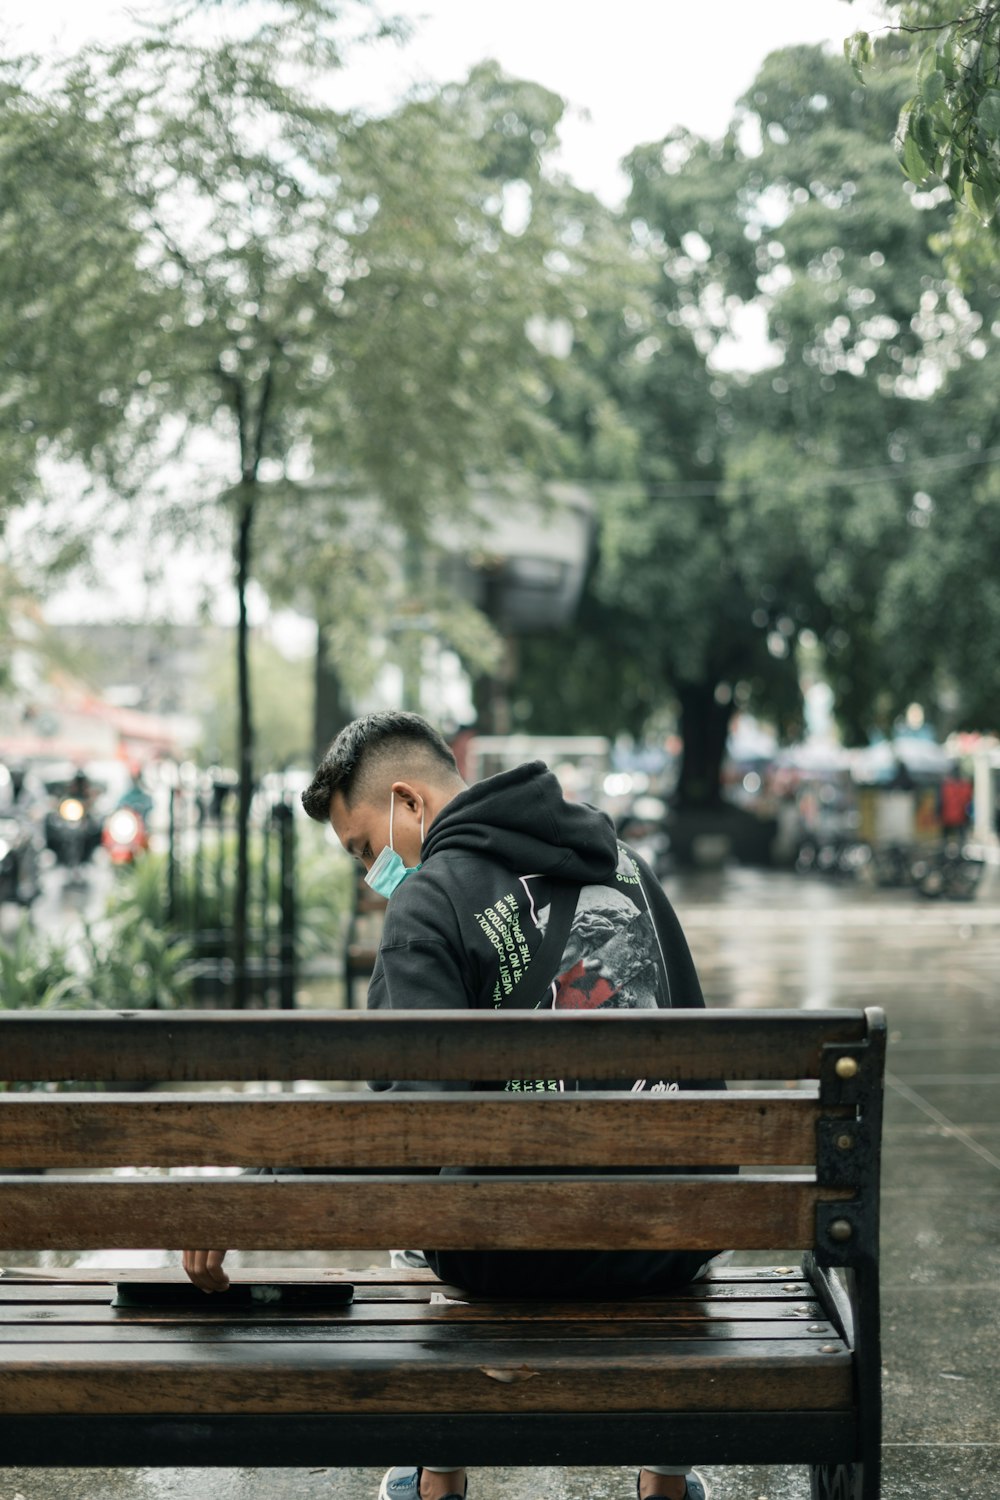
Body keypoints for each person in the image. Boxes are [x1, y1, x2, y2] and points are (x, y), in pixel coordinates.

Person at [183, 711, 717, 1500]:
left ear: (409, 803)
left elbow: (405, 1130)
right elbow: (702, 1068)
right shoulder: (629, 866)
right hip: (671, 1241)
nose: (373, 874)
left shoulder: (428, 901)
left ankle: (434, 1481)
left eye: (365, 848)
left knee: (418, 1221)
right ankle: (665, 1486)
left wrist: (255, 1192)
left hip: (512, 1261)